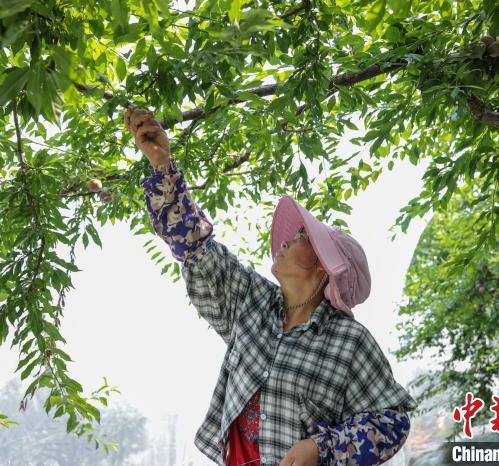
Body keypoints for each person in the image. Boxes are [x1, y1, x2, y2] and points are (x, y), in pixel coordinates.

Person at [124, 106, 418, 466]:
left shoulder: (349, 341)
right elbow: (195, 246)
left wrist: (322, 447)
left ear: (325, 268)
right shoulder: (250, 301)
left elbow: (393, 420)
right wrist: (162, 164)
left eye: (301, 238)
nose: (285, 242)